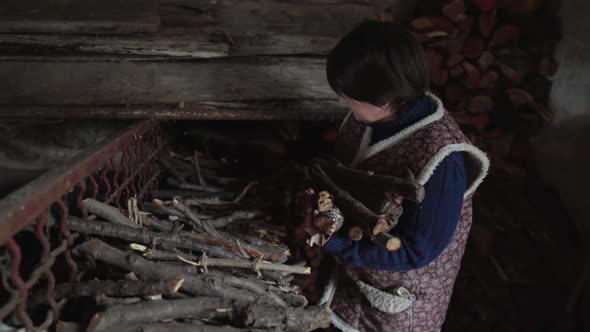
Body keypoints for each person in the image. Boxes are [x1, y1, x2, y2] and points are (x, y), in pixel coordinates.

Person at [320, 21, 490, 332]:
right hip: (355, 275)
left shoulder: (441, 161)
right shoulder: (367, 117)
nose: (342, 100)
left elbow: (417, 251)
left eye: (346, 94)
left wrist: (336, 244)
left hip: (400, 299)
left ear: (384, 100)